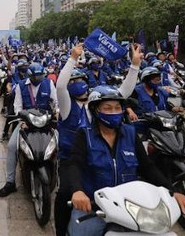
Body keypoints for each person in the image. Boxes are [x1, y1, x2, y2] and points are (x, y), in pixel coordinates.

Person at [66, 87, 185, 235]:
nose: (114, 112)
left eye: (117, 108)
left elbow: (147, 167)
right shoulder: (84, 135)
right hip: (94, 206)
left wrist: (173, 191)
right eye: (107, 108)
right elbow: (75, 164)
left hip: (128, 206)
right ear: (95, 110)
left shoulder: (130, 133)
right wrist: (78, 191)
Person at [54, 43, 143, 236]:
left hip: (99, 160)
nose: (75, 84)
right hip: (71, 161)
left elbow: (123, 92)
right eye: (72, 81)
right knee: (63, 194)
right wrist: (73, 58)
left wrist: (135, 65)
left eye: (79, 80)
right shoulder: (68, 107)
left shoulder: (97, 105)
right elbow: (60, 86)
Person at [0, 62, 58, 197]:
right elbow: (18, 106)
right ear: (29, 75)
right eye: (35, 77)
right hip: (26, 123)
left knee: (60, 145)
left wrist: (56, 113)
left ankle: (59, 177)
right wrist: (22, 120)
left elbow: (55, 102)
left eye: (40, 76)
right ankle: (10, 182)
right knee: (12, 146)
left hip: (46, 123)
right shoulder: (20, 86)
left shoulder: (49, 84)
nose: (38, 79)